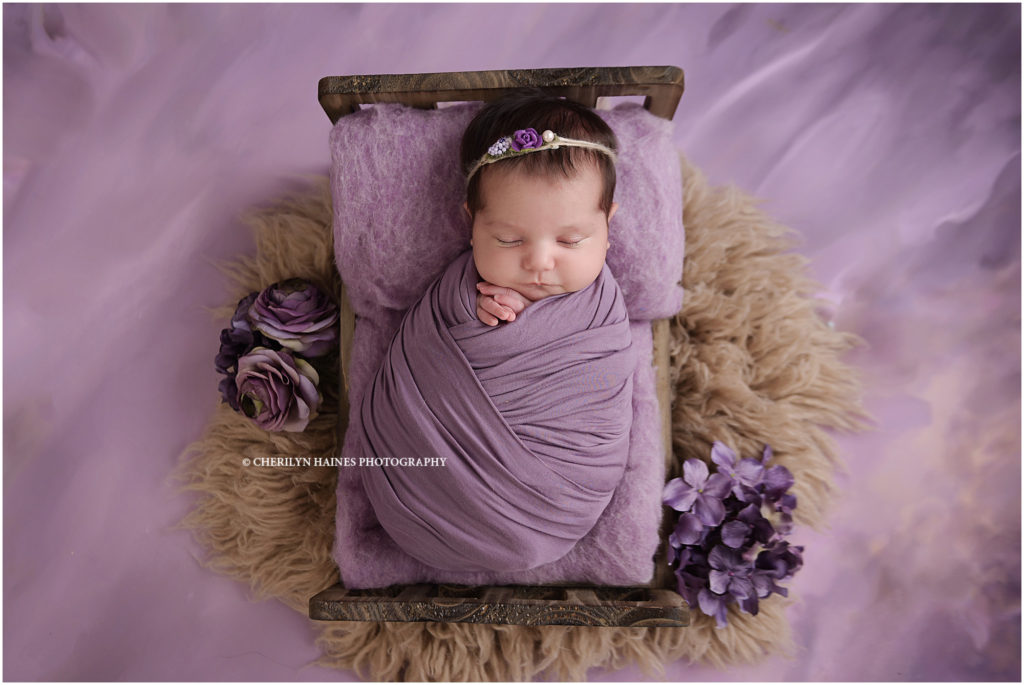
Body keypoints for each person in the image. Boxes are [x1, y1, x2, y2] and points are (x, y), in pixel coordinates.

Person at [459, 90, 621, 325]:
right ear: (471, 224)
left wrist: (535, 323)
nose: (539, 262)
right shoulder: (457, 291)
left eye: (570, 240)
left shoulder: (603, 309)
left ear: (607, 227)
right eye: (508, 239)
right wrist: (468, 310)